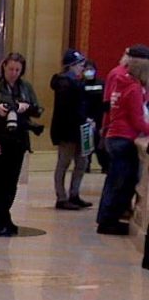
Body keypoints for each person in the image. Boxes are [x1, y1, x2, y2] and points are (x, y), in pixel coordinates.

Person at [0, 53, 43, 236]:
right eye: (11, 69)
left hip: (18, 139)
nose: (14, 73)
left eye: (17, 70)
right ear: (4, 66)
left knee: (11, 182)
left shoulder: (25, 88)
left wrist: (26, 107)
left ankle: (5, 216)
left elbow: (38, 110)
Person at [97, 45, 149, 236]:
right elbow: (137, 119)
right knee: (122, 183)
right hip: (124, 138)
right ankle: (109, 221)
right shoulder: (134, 88)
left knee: (114, 181)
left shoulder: (121, 82)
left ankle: (106, 219)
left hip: (115, 135)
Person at [49, 49, 91, 210]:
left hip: (79, 129)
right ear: (71, 66)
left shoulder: (76, 82)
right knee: (64, 163)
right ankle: (61, 197)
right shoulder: (64, 83)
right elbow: (68, 110)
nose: (83, 67)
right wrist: (84, 119)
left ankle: (74, 194)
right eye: (80, 64)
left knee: (82, 162)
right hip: (67, 130)